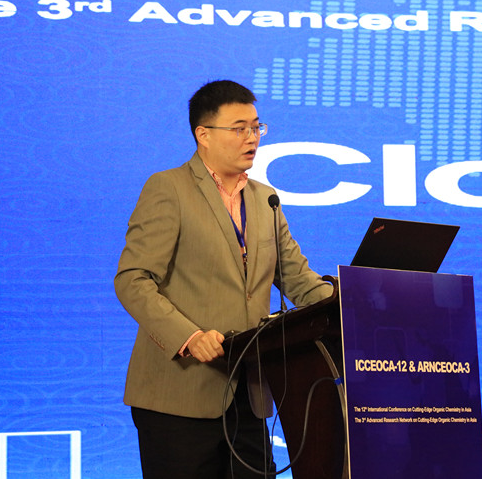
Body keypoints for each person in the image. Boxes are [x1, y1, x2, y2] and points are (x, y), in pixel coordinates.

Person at [115, 80, 334, 479]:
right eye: (239, 128)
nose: (252, 137)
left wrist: (350, 305)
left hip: (249, 394)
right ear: (204, 135)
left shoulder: (265, 199)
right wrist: (188, 336)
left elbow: (298, 280)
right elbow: (134, 279)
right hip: (179, 396)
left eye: (256, 127)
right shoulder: (169, 188)